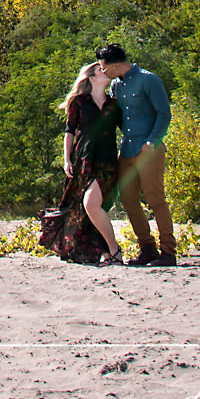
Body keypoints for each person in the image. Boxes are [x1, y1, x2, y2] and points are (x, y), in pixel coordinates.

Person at [98, 42, 175, 267]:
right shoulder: (116, 86)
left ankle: (168, 252)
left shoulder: (149, 79)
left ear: (115, 64)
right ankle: (147, 247)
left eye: (104, 67)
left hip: (149, 150)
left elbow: (164, 113)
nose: (104, 71)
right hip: (128, 149)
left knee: (155, 199)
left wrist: (152, 141)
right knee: (129, 199)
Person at [57, 60, 124, 265]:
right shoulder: (79, 102)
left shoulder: (114, 104)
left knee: (94, 206)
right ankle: (111, 252)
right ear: (92, 78)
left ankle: (111, 252)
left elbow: (125, 130)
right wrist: (67, 159)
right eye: (100, 70)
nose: (105, 72)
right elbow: (69, 131)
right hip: (85, 160)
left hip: (108, 161)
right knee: (89, 206)